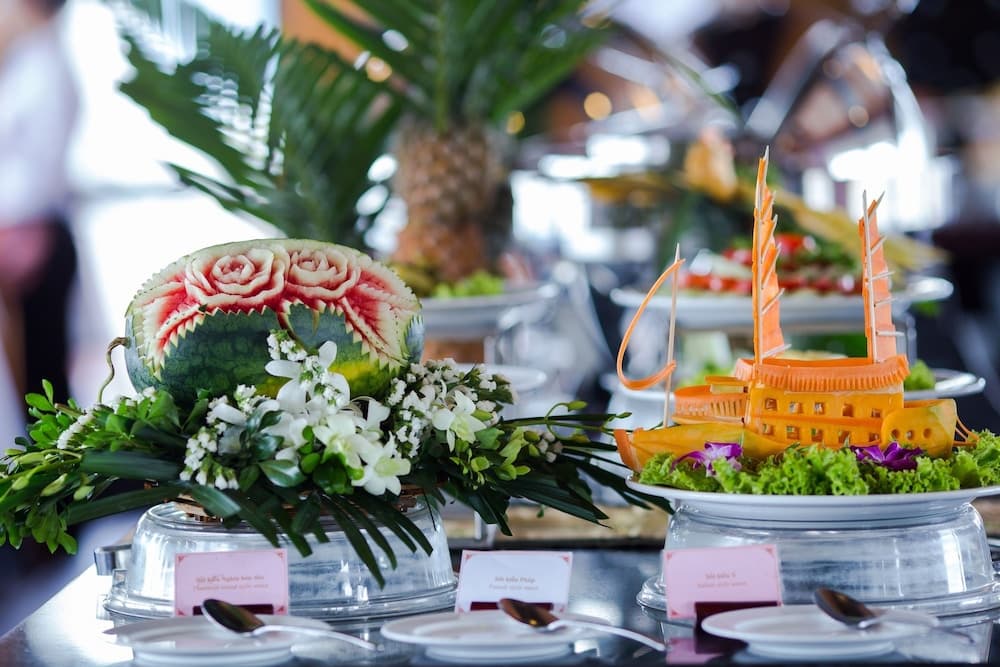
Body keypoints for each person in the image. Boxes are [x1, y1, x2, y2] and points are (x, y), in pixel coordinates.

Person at [0, 0, 79, 419]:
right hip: (19, 234)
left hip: (35, 240)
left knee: (44, 386)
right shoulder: (21, 58)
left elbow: (37, 177)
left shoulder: (47, 65)